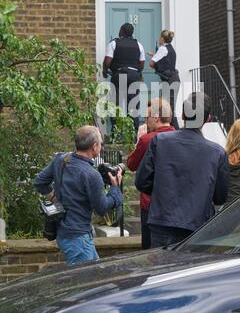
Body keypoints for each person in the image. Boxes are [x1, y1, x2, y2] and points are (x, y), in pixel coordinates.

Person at [135, 92, 229, 248]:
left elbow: (142, 182)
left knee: (161, 271)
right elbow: (220, 197)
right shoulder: (217, 153)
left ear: (183, 115)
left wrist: (163, 191)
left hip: (162, 222)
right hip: (197, 226)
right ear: (208, 119)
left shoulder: (159, 141)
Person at [34, 125, 123, 265]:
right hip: (77, 238)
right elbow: (102, 208)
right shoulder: (91, 175)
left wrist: (55, 199)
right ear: (94, 146)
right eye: (100, 143)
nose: (101, 146)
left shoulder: (61, 159)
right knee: (84, 283)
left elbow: (40, 182)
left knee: (95, 275)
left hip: (65, 232)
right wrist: (115, 187)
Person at [127, 98, 175, 249]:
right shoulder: (181, 138)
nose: (146, 120)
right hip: (175, 203)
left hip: (151, 204)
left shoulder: (147, 139)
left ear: (156, 117)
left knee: (150, 249)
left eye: (147, 116)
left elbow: (131, 165)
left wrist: (139, 141)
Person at [102, 23, 145, 131]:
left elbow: (108, 60)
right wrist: (135, 73)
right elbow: (142, 64)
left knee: (115, 104)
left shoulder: (114, 43)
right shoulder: (138, 45)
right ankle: (133, 133)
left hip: (119, 75)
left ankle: (115, 132)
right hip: (134, 76)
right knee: (133, 105)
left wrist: (104, 71)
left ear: (122, 30)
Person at [148, 30, 180, 129]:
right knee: (169, 107)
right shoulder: (170, 49)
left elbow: (151, 64)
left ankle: (176, 131)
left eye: (160, 37)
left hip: (169, 81)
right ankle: (173, 130)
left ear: (162, 38)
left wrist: (154, 59)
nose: (159, 39)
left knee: (168, 108)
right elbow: (166, 61)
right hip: (174, 79)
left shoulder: (162, 48)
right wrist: (155, 55)